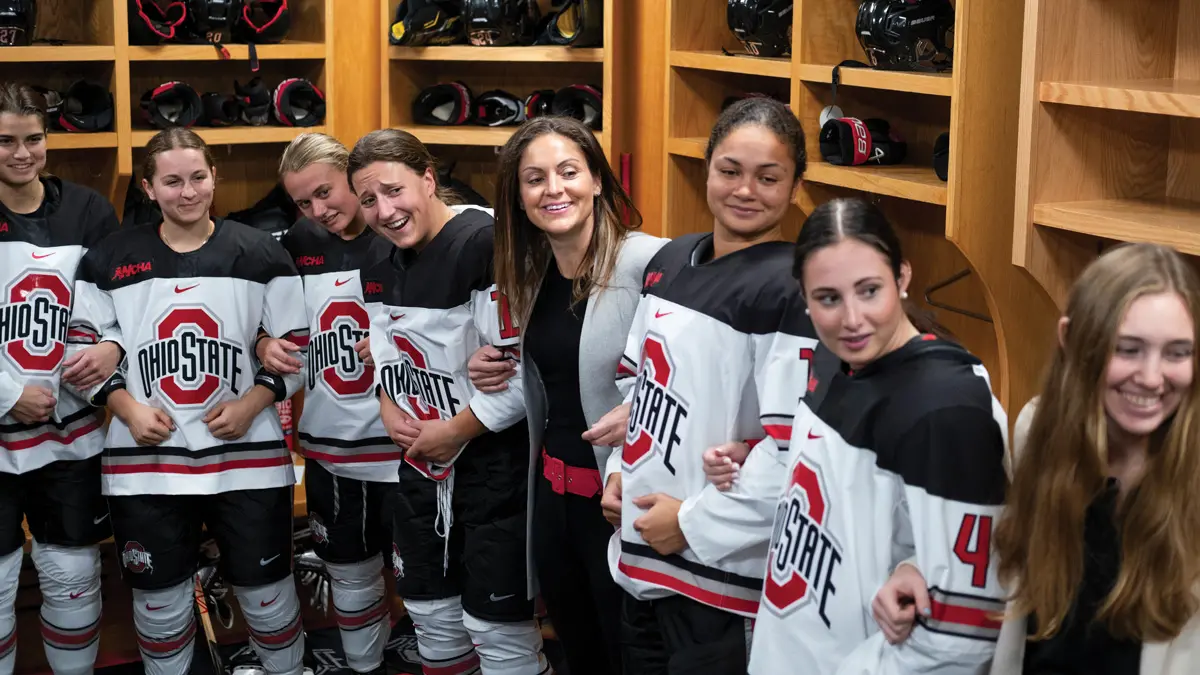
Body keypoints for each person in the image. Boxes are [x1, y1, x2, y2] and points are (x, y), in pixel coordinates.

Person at [704, 197, 1010, 674]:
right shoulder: (833, 360)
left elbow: (965, 626)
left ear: (903, 278)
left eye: (869, 291)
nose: (852, 319)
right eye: (828, 298)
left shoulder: (947, 405)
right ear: (803, 297)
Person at [601, 97, 834, 673]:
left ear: (797, 185)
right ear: (707, 168)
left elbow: (797, 451)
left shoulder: (793, 288)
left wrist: (691, 524)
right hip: (642, 552)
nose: (745, 190)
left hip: (722, 574)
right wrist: (617, 475)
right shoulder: (671, 259)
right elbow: (638, 385)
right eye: (730, 171)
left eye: (769, 177)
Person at [72, 127, 310, 675]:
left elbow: (297, 351)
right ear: (150, 189)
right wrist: (124, 408)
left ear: (214, 178)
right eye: (172, 181)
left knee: (268, 599)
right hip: (146, 467)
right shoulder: (110, 257)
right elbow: (79, 355)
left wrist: (254, 402)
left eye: (198, 177)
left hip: (246, 463)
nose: (188, 192)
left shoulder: (258, 252)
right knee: (160, 607)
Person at [464, 115, 666, 675]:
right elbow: (557, 371)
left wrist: (649, 404)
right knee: (580, 653)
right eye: (534, 179)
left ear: (598, 180)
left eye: (568, 171)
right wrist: (495, 363)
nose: (553, 189)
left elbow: (702, 370)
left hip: (618, 504)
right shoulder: (535, 271)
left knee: (632, 656)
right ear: (519, 198)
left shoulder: (650, 261)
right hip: (554, 504)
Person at [349, 128, 551, 675]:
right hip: (422, 463)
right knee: (431, 616)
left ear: (429, 179)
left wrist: (456, 431)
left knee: (498, 629)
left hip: (493, 467)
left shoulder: (485, 243)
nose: (385, 210)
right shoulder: (378, 257)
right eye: (368, 199)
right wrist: (389, 404)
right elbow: (387, 350)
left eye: (394, 190)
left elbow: (518, 378)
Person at [984, 243, 1200, 673]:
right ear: (1071, 339)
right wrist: (915, 569)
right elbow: (1008, 563)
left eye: (1177, 352)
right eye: (1127, 349)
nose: (1153, 377)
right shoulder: (1036, 434)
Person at [256, 132, 396, 675]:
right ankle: (366, 666)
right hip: (332, 444)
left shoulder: (403, 230)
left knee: (427, 580)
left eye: (325, 192)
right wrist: (263, 341)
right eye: (303, 201)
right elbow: (265, 324)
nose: (318, 210)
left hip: (411, 443)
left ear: (352, 173)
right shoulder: (297, 242)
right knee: (348, 570)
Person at [0, 82, 122, 675]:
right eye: (5, 141)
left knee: (73, 572)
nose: (22, 154)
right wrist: (6, 394)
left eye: (33, 139)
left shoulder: (88, 209)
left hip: (70, 430)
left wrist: (111, 345)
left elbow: (121, 303)